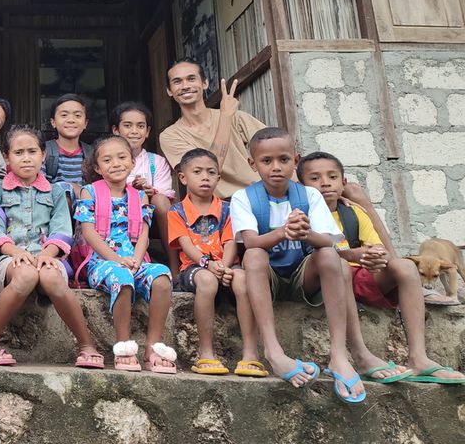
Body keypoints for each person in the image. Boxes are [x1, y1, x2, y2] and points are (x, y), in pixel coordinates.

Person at [298, 152, 465, 384]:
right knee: (339, 264)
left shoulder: (354, 212)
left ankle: (419, 358)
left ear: (343, 182)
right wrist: (352, 254)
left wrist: (376, 257)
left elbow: (377, 248)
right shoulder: (299, 212)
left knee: (405, 266)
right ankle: (360, 355)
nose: (325, 183)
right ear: (300, 186)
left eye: (332, 177)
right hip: (326, 278)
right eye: (314, 178)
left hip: (360, 273)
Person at [231, 127, 366, 404]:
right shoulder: (244, 198)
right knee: (253, 256)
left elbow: (327, 241)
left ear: (296, 159)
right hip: (267, 278)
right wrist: (283, 231)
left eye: (283, 159)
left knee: (330, 256)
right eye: (266, 161)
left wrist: (304, 232)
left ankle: (339, 356)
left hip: (303, 277)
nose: (276, 168)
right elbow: (251, 242)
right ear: (252, 164)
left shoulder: (309, 196)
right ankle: (273, 351)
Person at [0, 126, 103, 368]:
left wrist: (46, 254)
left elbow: (62, 231)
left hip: (48, 255)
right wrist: (17, 253)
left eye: (32, 151)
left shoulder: (56, 191)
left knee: (52, 277)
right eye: (18, 152)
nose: (26, 158)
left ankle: (86, 346)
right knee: (25, 275)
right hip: (10, 259)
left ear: (43, 155)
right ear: (6, 157)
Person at [76, 136, 176, 373]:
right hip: (102, 262)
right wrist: (117, 260)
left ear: (132, 163)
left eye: (122, 158)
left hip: (134, 259)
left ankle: (153, 345)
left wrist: (137, 260)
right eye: (107, 160)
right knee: (122, 278)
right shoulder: (89, 192)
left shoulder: (139, 196)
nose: (116, 164)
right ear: (98, 168)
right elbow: (89, 234)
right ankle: (124, 346)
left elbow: (143, 233)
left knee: (161, 277)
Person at [167, 148, 264, 377]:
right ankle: (206, 352)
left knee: (242, 278)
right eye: (198, 172)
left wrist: (226, 267)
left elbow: (230, 241)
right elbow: (185, 244)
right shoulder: (177, 211)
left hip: (227, 267)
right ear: (183, 177)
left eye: (211, 172)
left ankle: (251, 353)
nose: (205, 177)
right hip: (194, 268)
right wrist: (207, 264)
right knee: (207, 280)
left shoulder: (228, 209)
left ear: (219, 178)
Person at [158, 59, 265, 198]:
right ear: (169, 91)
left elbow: (278, 149)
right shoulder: (170, 135)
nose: (185, 86)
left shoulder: (237, 117)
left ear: (205, 83)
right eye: (177, 81)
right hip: (218, 206)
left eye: (191, 79)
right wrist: (225, 117)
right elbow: (209, 169)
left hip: (258, 195)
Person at [112, 101, 178, 278]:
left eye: (140, 126)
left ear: (147, 132)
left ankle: (175, 268)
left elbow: (166, 196)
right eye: (127, 125)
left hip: (151, 219)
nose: (134, 131)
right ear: (115, 130)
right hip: (114, 214)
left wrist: (149, 192)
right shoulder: (107, 158)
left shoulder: (156, 162)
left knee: (160, 200)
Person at [43, 94, 92, 197]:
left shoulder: (92, 154)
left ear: (85, 123)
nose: (71, 120)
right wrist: (71, 187)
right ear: (53, 122)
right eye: (64, 115)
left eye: (77, 115)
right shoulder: (44, 151)